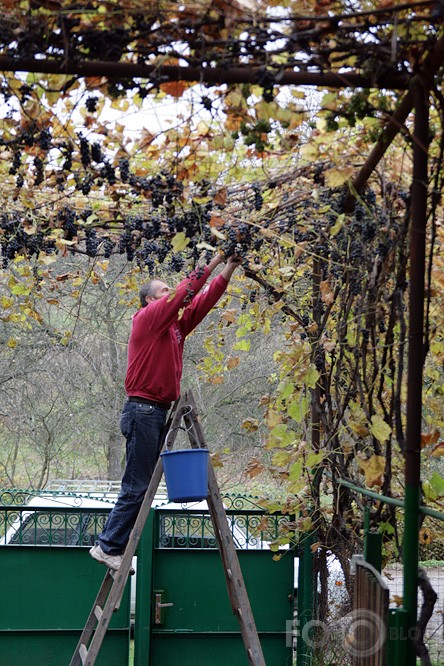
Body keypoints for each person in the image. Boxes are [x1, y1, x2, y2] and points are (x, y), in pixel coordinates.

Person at [90, 252, 242, 570]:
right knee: (137, 485)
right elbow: (185, 292)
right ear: (149, 301)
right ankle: (108, 546)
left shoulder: (174, 327)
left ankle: (114, 544)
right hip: (143, 411)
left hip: (156, 411)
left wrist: (229, 268)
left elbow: (202, 302)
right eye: (163, 291)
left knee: (143, 485)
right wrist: (212, 260)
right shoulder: (146, 320)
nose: (170, 293)